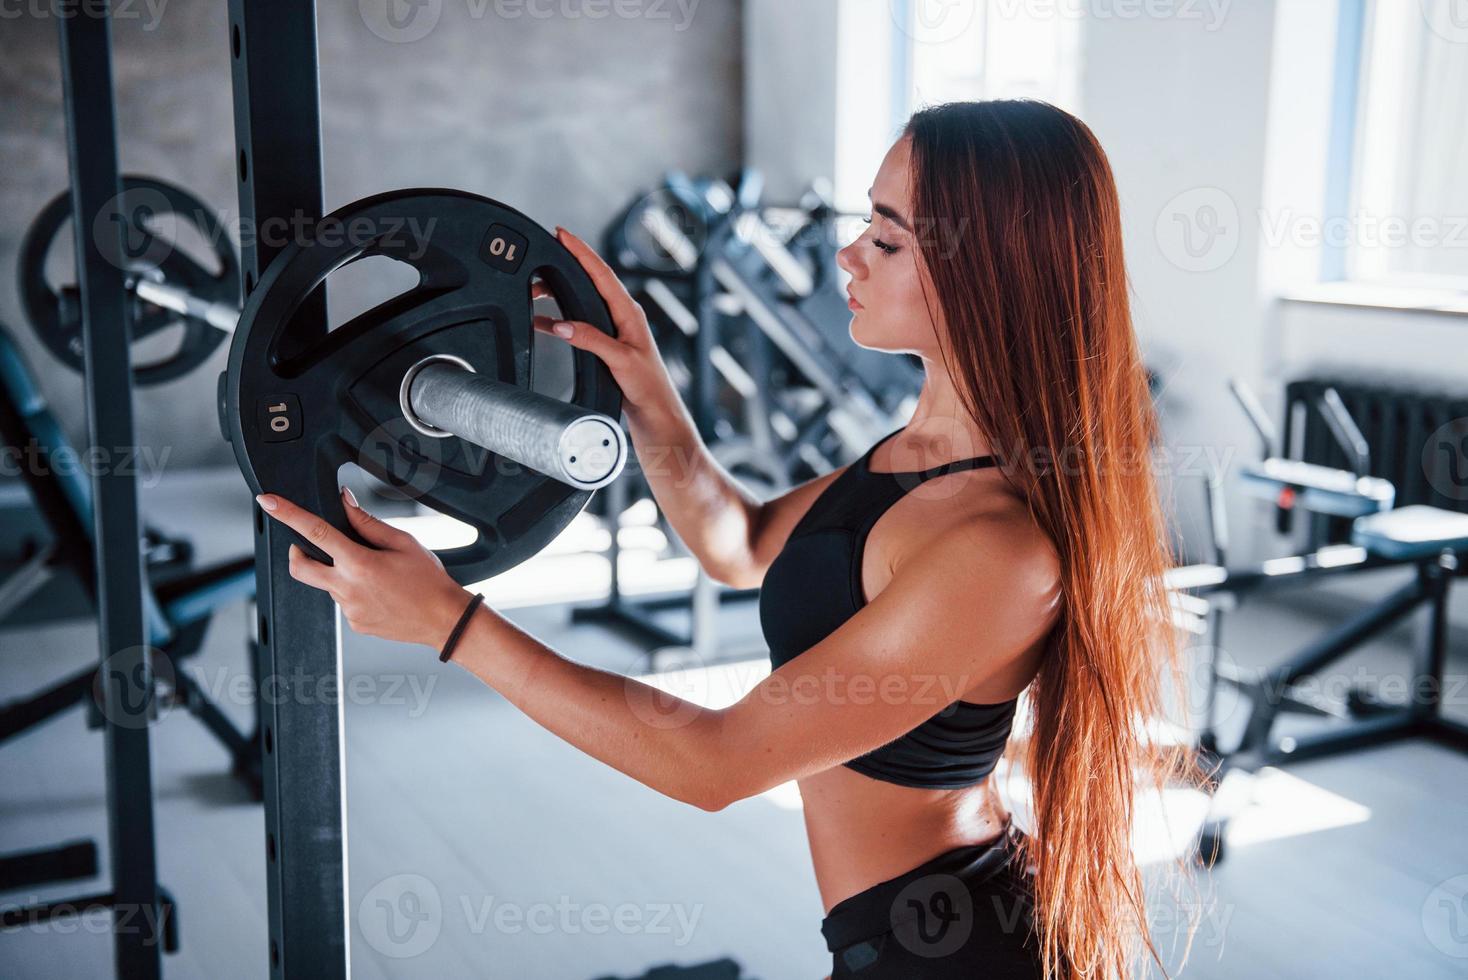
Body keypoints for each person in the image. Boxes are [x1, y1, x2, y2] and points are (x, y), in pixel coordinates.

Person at [256, 100, 1202, 979]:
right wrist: (650, 394)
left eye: (884, 236)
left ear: (987, 269)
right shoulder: (920, 458)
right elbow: (739, 542)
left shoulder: (994, 550)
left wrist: (451, 624)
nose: (847, 255)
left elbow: (714, 762)